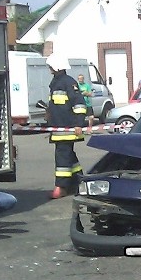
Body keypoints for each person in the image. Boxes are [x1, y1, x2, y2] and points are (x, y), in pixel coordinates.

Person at [46, 53, 88, 199]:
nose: (49, 68)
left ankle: (61, 187)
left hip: (67, 129)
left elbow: (80, 104)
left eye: (50, 66)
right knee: (68, 155)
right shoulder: (56, 82)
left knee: (62, 156)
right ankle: (78, 182)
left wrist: (78, 124)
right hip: (59, 128)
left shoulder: (69, 83)